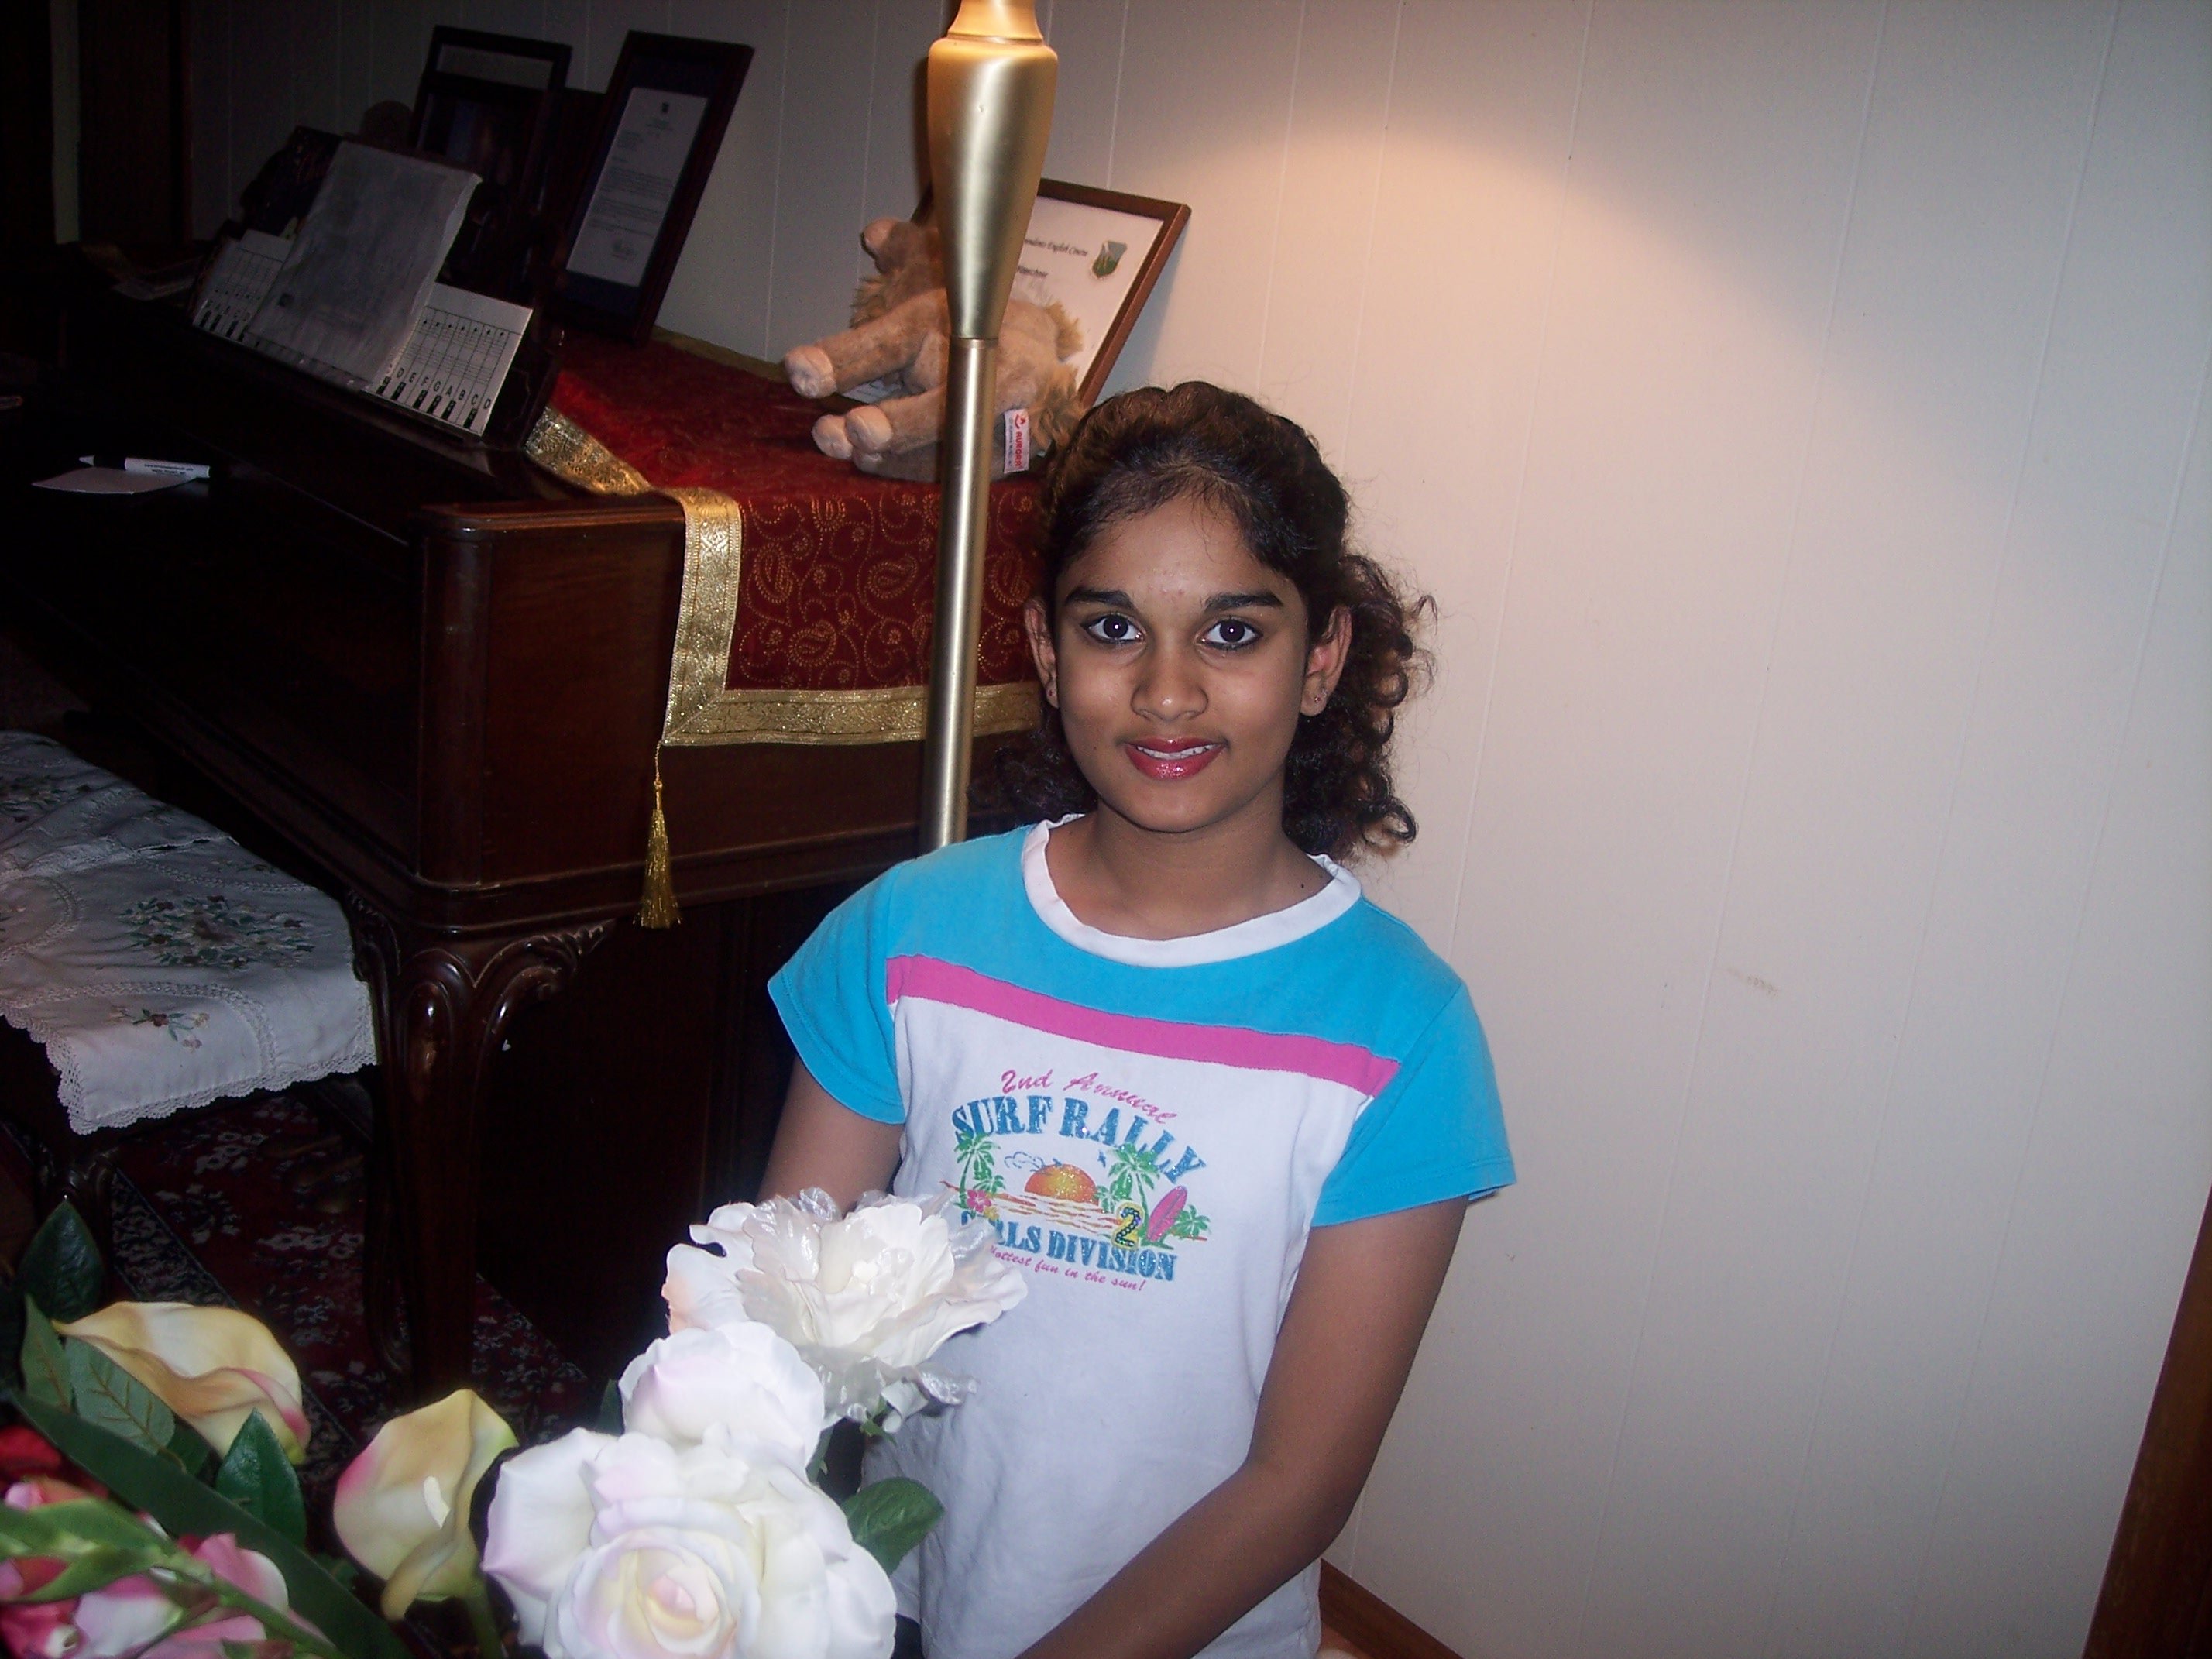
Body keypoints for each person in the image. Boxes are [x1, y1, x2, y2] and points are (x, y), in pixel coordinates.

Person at [762, 382, 1514, 1659]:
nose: (1168, 691)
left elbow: (1299, 1484)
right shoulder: (906, 936)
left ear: (1321, 657)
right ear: (1048, 652)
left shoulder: (1404, 1033)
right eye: (1114, 626)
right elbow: (775, 1319)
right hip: (899, 1605)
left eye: (1232, 632)